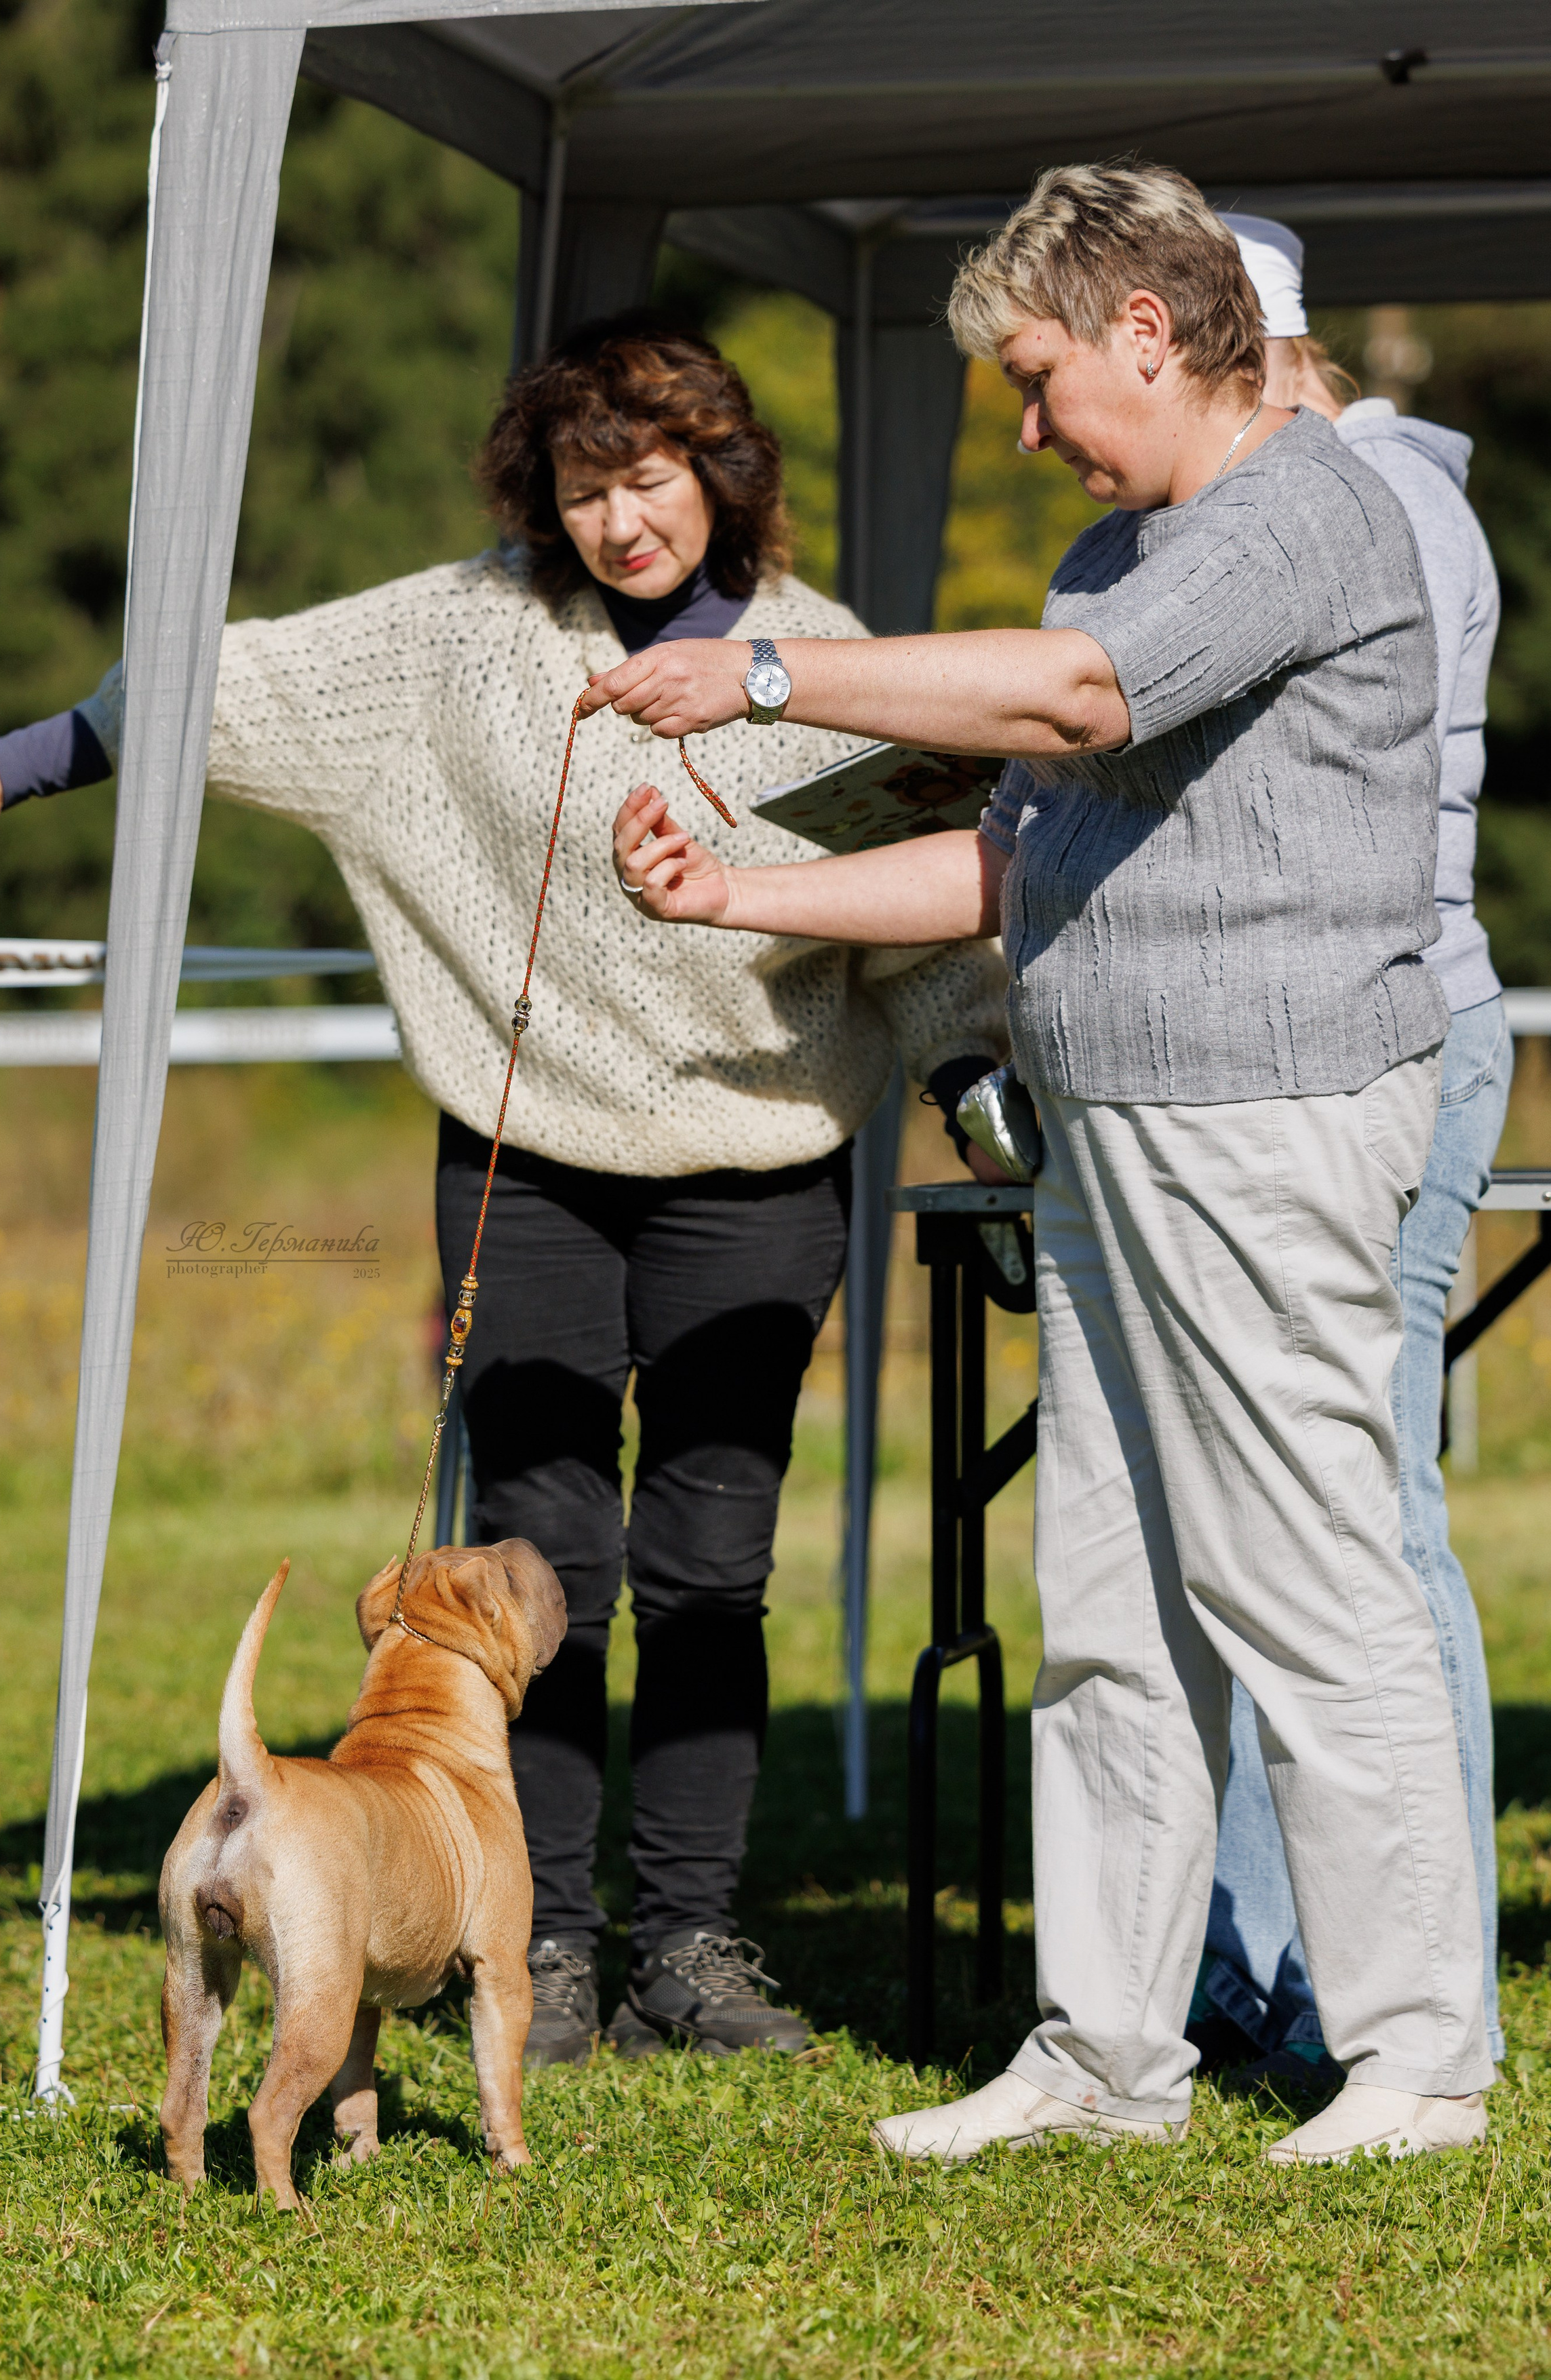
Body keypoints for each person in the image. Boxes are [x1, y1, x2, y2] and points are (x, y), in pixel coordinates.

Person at [0, 315, 1006, 2067]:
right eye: (583, 488)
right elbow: (212, 688)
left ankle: (691, 1949)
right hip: (520, 1159)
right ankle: (534, 1941)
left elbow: (922, 924)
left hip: (764, 1170)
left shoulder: (837, 658)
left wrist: (980, 1101)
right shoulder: (462, 637)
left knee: (710, 1567)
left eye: (650, 478)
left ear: (721, 471)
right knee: (540, 1573)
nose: (621, 521)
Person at [600, 163, 1495, 2166]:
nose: (1023, 427)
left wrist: (759, 673)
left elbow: (1074, 696)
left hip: (1263, 1112)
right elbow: (1014, 864)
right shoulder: (1123, 552)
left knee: (1303, 1574)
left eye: (1033, 377)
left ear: (1147, 334)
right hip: (1110, 1123)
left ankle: (1419, 2060)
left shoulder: (1301, 516)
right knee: (1105, 1598)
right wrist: (734, 890)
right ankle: (1105, 2057)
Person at [1192, 216, 1508, 2087]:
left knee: (1370, 1515)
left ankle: (1407, 1987)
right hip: (1326, 1040)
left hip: (1382, 1034)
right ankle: (1269, 1964)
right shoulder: (1344, 491)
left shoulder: (1364, 508)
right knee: (1297, 1516)